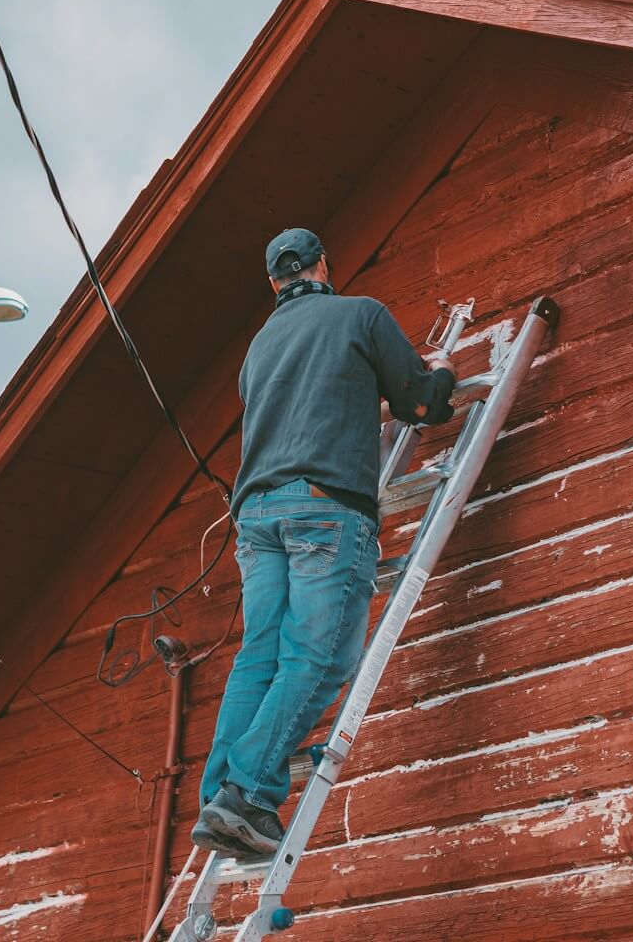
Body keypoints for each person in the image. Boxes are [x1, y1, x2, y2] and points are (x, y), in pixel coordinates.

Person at [191, 227, 456, 858]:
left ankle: (221, 794)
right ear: (322, 266)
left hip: (256, 514)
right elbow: (421, 406)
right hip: (324, 508)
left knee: (261, 656)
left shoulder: (257, 351)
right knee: (321, 658)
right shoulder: (358, 315)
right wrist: (441, 371)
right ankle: (247, 794)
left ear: (273, 282)